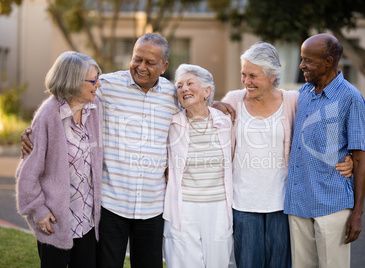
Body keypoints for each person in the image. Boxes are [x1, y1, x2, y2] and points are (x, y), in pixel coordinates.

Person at [20, 33, 235, 268]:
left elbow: (192, 100)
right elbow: (67, 97)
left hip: (153, 207)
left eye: (150, 63)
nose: (141, 67)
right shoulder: (105, 86)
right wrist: (33, 131)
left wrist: (213, 102)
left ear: (164, 67)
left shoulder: (173, 96)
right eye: (137, 59)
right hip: (112, 205)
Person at [221, 42, 353, 268]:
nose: (246, 81)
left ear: (272, 76)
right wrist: (211, 105)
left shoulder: (293, 100)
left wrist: (347, 154)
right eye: (243, 74)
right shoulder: (233, 100)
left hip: (282, 203)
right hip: (243, 203)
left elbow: (322, 125)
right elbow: (208, 124)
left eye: (253, 76)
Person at [283, 33, 365, 268]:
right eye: (301, 59)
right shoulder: (303, 95)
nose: (301, 66)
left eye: (307, 60)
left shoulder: (351, 98)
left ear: (328, 62)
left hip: (332, 204)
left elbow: (360, 158)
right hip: (298, 204)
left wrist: (357, 213)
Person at [16, 51, 103, 268]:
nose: (99, 84)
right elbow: (27, 172)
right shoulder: (48, 114)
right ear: (73, 81)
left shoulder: (94, 107)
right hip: (55, 221)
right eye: (93, 80)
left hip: (87, 222)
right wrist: (39, 211)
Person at [163, 64, 233, 267]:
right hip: (184, 205)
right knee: (183, 261)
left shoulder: (226, 121)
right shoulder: (172, 123)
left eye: (190, 83)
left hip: (218, 205)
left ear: (207, 91)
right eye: (179, 85)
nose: (183, 89)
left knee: (217, 262)